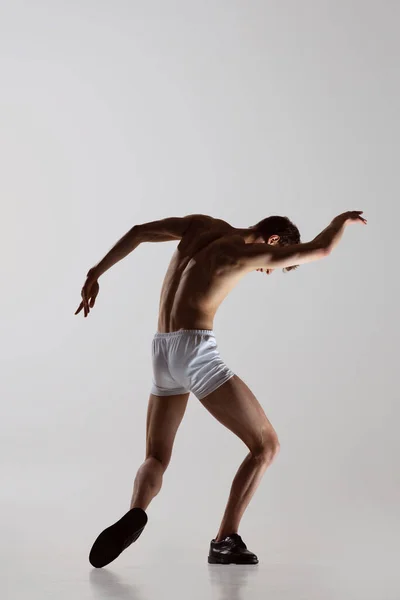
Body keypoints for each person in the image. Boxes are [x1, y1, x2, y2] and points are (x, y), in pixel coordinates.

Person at [75, 210, 367, 567]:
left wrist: (97, 271)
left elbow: (138, 232)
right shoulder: (240, 253)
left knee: (156, 457)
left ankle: (136, 510)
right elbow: (320, 249)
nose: (264, 269)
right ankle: (224, 540)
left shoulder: (200, 225)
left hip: (161, 350)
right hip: (194, 350)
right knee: (266, 445)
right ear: (273, 241)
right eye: (271, 263)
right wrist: (342, 220)